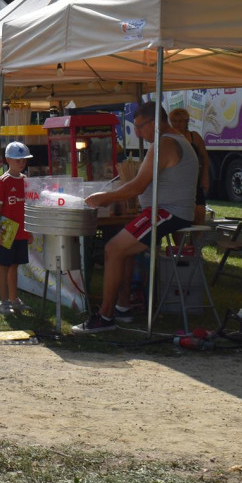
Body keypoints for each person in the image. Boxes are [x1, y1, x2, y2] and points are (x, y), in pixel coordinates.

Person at [74, 101, 198, 334]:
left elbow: (138, 187)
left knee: (113, 249)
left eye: (140, 126)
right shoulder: (173, 141)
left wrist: (104, 198)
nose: (138, 133)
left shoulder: (164, 144)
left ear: (155, 123)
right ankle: (122, 306)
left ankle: (105, 316)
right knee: (124, 249)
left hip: (167, 212)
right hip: (165, 211)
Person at [0, 141, 33, 315]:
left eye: (23, 160)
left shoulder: (26, 181)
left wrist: (29, 230)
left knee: (15, 265)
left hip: (21, 231)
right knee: (4, 266)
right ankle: (3, 301)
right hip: (6, 231)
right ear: (8, 159)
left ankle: (14, 299)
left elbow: (28, 207)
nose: (21, 163)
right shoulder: (3, 181)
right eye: (17, 160)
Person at [169, 108, 212, 226]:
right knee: (178, 219)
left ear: (186, 122)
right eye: (174, 121)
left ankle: (196, 244)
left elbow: (205, 158)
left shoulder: (194, 137)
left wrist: (205, 177)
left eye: (181, 121)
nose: (177, 124)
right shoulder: (168, 139)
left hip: (195, 182)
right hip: (177, 184)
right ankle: (181, 244)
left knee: (199, 215)